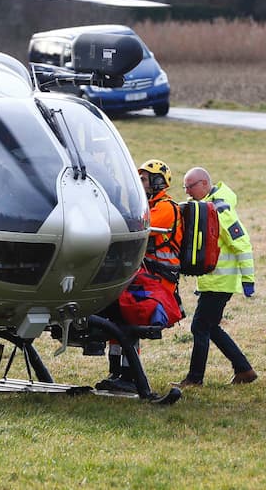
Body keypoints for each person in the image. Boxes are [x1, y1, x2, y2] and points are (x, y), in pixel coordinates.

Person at [96, 159, 183, 394]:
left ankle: (130, 375)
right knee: (117, 321)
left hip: (157, 282)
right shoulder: (149, 204)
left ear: (157, 181)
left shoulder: (165, 208)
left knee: (130, 322)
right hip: (143, 278)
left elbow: (137, 225)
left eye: (143, 179)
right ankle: (117, 372)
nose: (139, 183)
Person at [174, 167, 257, 388]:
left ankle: (195, 378)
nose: (188, 192)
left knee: (200, 327)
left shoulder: (220, 209)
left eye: (190, 187)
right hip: (212, 281)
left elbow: (242, 243)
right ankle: (244, 370)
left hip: (221, 282)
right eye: (185, 188)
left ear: (203, 184)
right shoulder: (204, 206)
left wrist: (248, 279)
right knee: (210, 327)